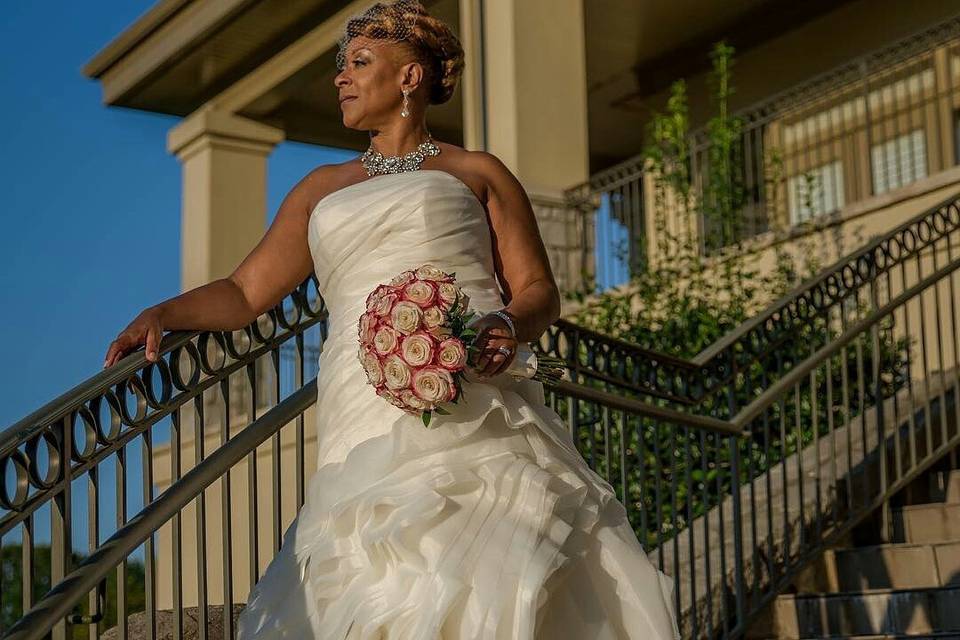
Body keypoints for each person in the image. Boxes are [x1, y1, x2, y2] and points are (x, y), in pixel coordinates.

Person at [103, 2, 682, 638]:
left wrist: (506, 326)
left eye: (358, 63)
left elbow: (538, 289)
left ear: (410, 78)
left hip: (475, 394)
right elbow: (245, 293)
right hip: (361, 397)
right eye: (340, 66)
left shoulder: (476, 171)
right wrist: (162, 312)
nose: (340, 79)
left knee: (496, 550)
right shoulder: (321, 186)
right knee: (367, 562)